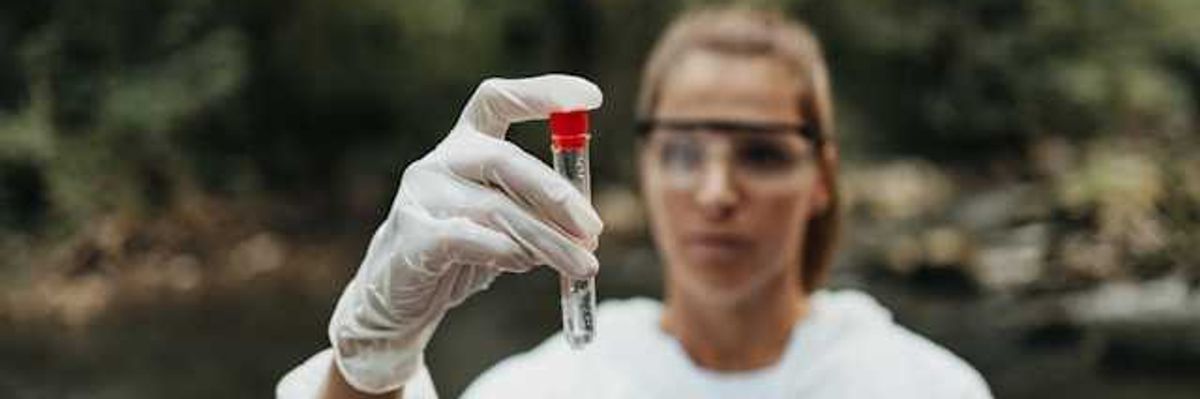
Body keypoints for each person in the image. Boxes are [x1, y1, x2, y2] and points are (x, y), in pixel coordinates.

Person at [277, 6, 992, 399]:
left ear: (823, 180)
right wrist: (372, 364)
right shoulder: (551, 386)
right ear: (645, 165)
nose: (716, 192)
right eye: (682, 151)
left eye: (763, 153)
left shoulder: (923, 386)